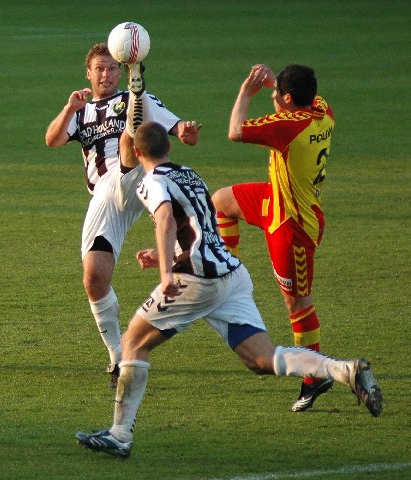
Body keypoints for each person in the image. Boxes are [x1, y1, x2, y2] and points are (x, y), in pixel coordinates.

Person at [75, 121, 381, 459]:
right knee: (262, 359)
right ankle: (344, 370)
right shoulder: (189, 174)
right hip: (231, 276)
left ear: (137, 153)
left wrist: (165, 272)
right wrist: (164, 252)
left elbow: (165, 219)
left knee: (132, 343)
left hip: (194, 281)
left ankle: (120, 434)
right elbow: (196, 225)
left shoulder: (151, 182)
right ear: (169, 147)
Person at [45, 43, 201, 387]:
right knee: (94, 278)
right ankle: (118, 355)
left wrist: (184, 131)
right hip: (107, 194)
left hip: (139, 177)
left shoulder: (139, 100)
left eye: (112, 68)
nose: (105, 74)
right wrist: (69, 107)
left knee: (131, 134)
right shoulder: (82, 111)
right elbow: (52, 140)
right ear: (88, 73)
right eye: (99, 69)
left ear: (121, 71)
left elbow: (176, 129)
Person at [211, 64, 336, 412]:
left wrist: (246, 92)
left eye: (277, 95)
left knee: (297, 303)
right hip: (274, 199)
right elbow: (293, 101)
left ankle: (316, 374)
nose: (272, 97)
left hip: (293, 226)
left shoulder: (287, 128)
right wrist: (274, 85)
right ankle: (226, 270)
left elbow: (235, 131)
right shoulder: (323, 110)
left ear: (290, 100)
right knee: (221, 201)